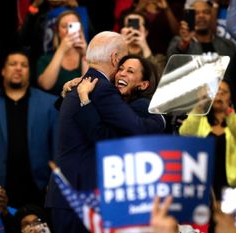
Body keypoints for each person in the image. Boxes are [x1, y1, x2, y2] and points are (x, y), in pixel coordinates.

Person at [45, 31, 165, 233]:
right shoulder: (100, 89)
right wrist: (162, 118)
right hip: (80, 199)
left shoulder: (85, 86)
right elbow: (135, 128)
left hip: (67, 197)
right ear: (114, 58)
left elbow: (102, 133)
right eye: (123, 62)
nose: (122, 71)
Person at [0, 50, 58, 208]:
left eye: (24, 65)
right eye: (13, 64)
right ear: (3, 71)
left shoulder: (49, 104)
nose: (18, 68)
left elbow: (57, 147)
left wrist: (55, 182)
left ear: (30, 71)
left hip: (38, 188)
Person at [179, 80, 236, 198]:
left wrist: (228, 113)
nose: (219, 94)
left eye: (224, 92)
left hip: (233, 188)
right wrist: (199, 107)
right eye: (215, 91)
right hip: (203, 185)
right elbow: (185, 134)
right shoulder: (199, 121)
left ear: (231, 97)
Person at [37, 10, 88, 97]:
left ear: (81, 29)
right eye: (65, 26)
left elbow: (88, 88)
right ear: (58, 32)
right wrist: (61, 50)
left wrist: (85, 55)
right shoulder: (45, 59)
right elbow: (46, 85)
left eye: (73, 26)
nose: (69, 30)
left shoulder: (90, 57)